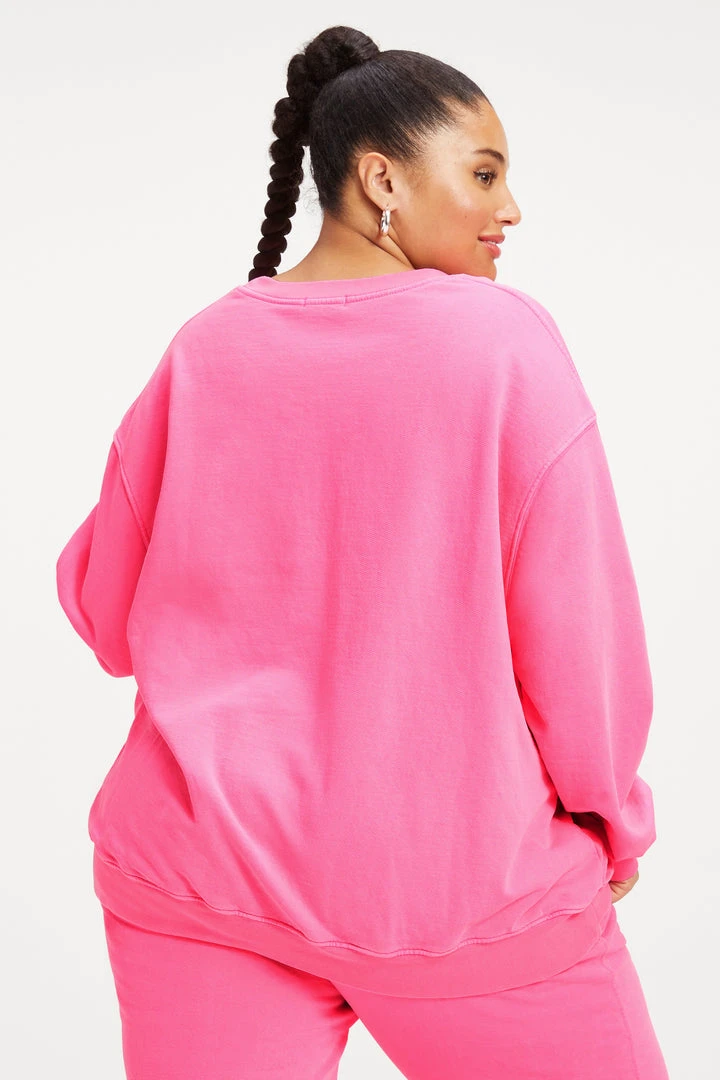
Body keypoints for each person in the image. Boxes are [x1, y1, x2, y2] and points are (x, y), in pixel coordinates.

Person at [55, 24, 670, 1080]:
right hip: (461, 899)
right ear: (382, 179)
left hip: (202, 884)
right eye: (484, 174)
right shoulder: (502, 343)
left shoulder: (207, 346)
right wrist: (612, 818)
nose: (510, 209)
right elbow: (581, 634)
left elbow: (104, 616)